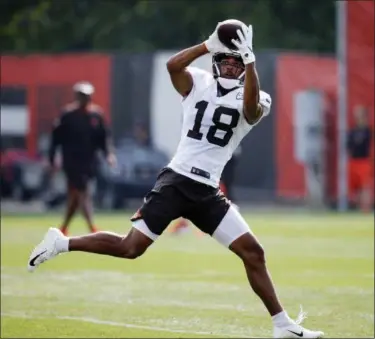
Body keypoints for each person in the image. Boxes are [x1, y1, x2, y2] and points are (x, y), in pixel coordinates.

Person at [28, 23, 323, 338]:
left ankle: (282, 325)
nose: (230, 65)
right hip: (178, 179)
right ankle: (61, 242)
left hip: (208, 190)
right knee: (131, 248)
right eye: (226, 60)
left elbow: (250, 111)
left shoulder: (256, 93)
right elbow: (173, 66)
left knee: (253, 251)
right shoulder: (198, 82)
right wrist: (207, 45)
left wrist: (250, 62)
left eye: (236, 63)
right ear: (216, 61)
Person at [48, 82, 116, 235]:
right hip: (72, 161)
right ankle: (92, 226)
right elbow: (55, 139)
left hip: (89, 161)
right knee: (82, 192)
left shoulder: (96, 115)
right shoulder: (67, 115)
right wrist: (52, 159)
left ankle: (64, 227)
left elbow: (104, 139)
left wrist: (109, 155)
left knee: (75, 195)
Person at [347, 105, 373, 212]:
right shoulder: (352, 131)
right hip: (354, 161)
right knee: (355, 188)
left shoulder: (368, 131)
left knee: (365, 186)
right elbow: (348, 147)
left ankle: (366, 209)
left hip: (364, 161)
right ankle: (357, 208)